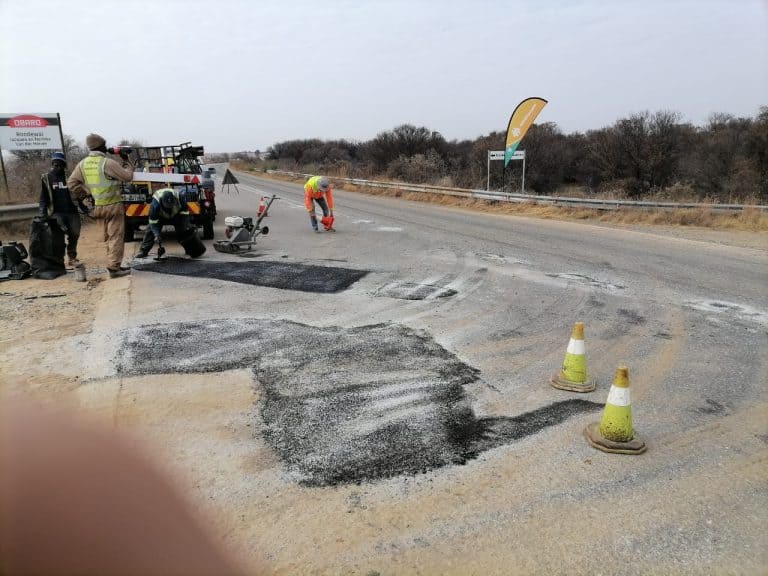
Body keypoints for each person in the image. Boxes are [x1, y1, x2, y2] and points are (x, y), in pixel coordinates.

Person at [67, 133, 134, 278]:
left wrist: (85, 195)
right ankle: (114, 268)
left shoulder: (83, 164)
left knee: (107, 236)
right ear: (102, 146)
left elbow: (72, 183)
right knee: (116, 236)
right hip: (113, 206)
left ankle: (112, 263)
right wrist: (127, 162)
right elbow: (128, 177)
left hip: (98, 206)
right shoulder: (107, 163)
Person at [39, 152, 86, 267]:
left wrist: (83, 207)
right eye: (55, 164)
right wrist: (43, 213)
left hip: (71, 211)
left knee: (74, 233)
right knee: (58, 236)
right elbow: (43, 197)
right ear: (52, 164)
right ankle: (58, 259)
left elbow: (76, 194)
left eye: (60, 164)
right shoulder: (47, 178)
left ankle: (72, 257)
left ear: (64, 165)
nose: (58, 167)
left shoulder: (69, 177)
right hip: (56, 213)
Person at [135, 187, 191, 258]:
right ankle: (143, 251)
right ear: (161, 201)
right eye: (166, 206)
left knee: (184, 230)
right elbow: (153, 222)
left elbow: (185, 213)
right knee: (150, 231)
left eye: (170, 206)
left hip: (176, 215)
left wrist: (185, 225)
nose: (168, 208)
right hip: (160, 217)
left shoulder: (180, 198)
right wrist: (157, 234)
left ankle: (190, 249)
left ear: (174, 200)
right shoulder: (155, 205)